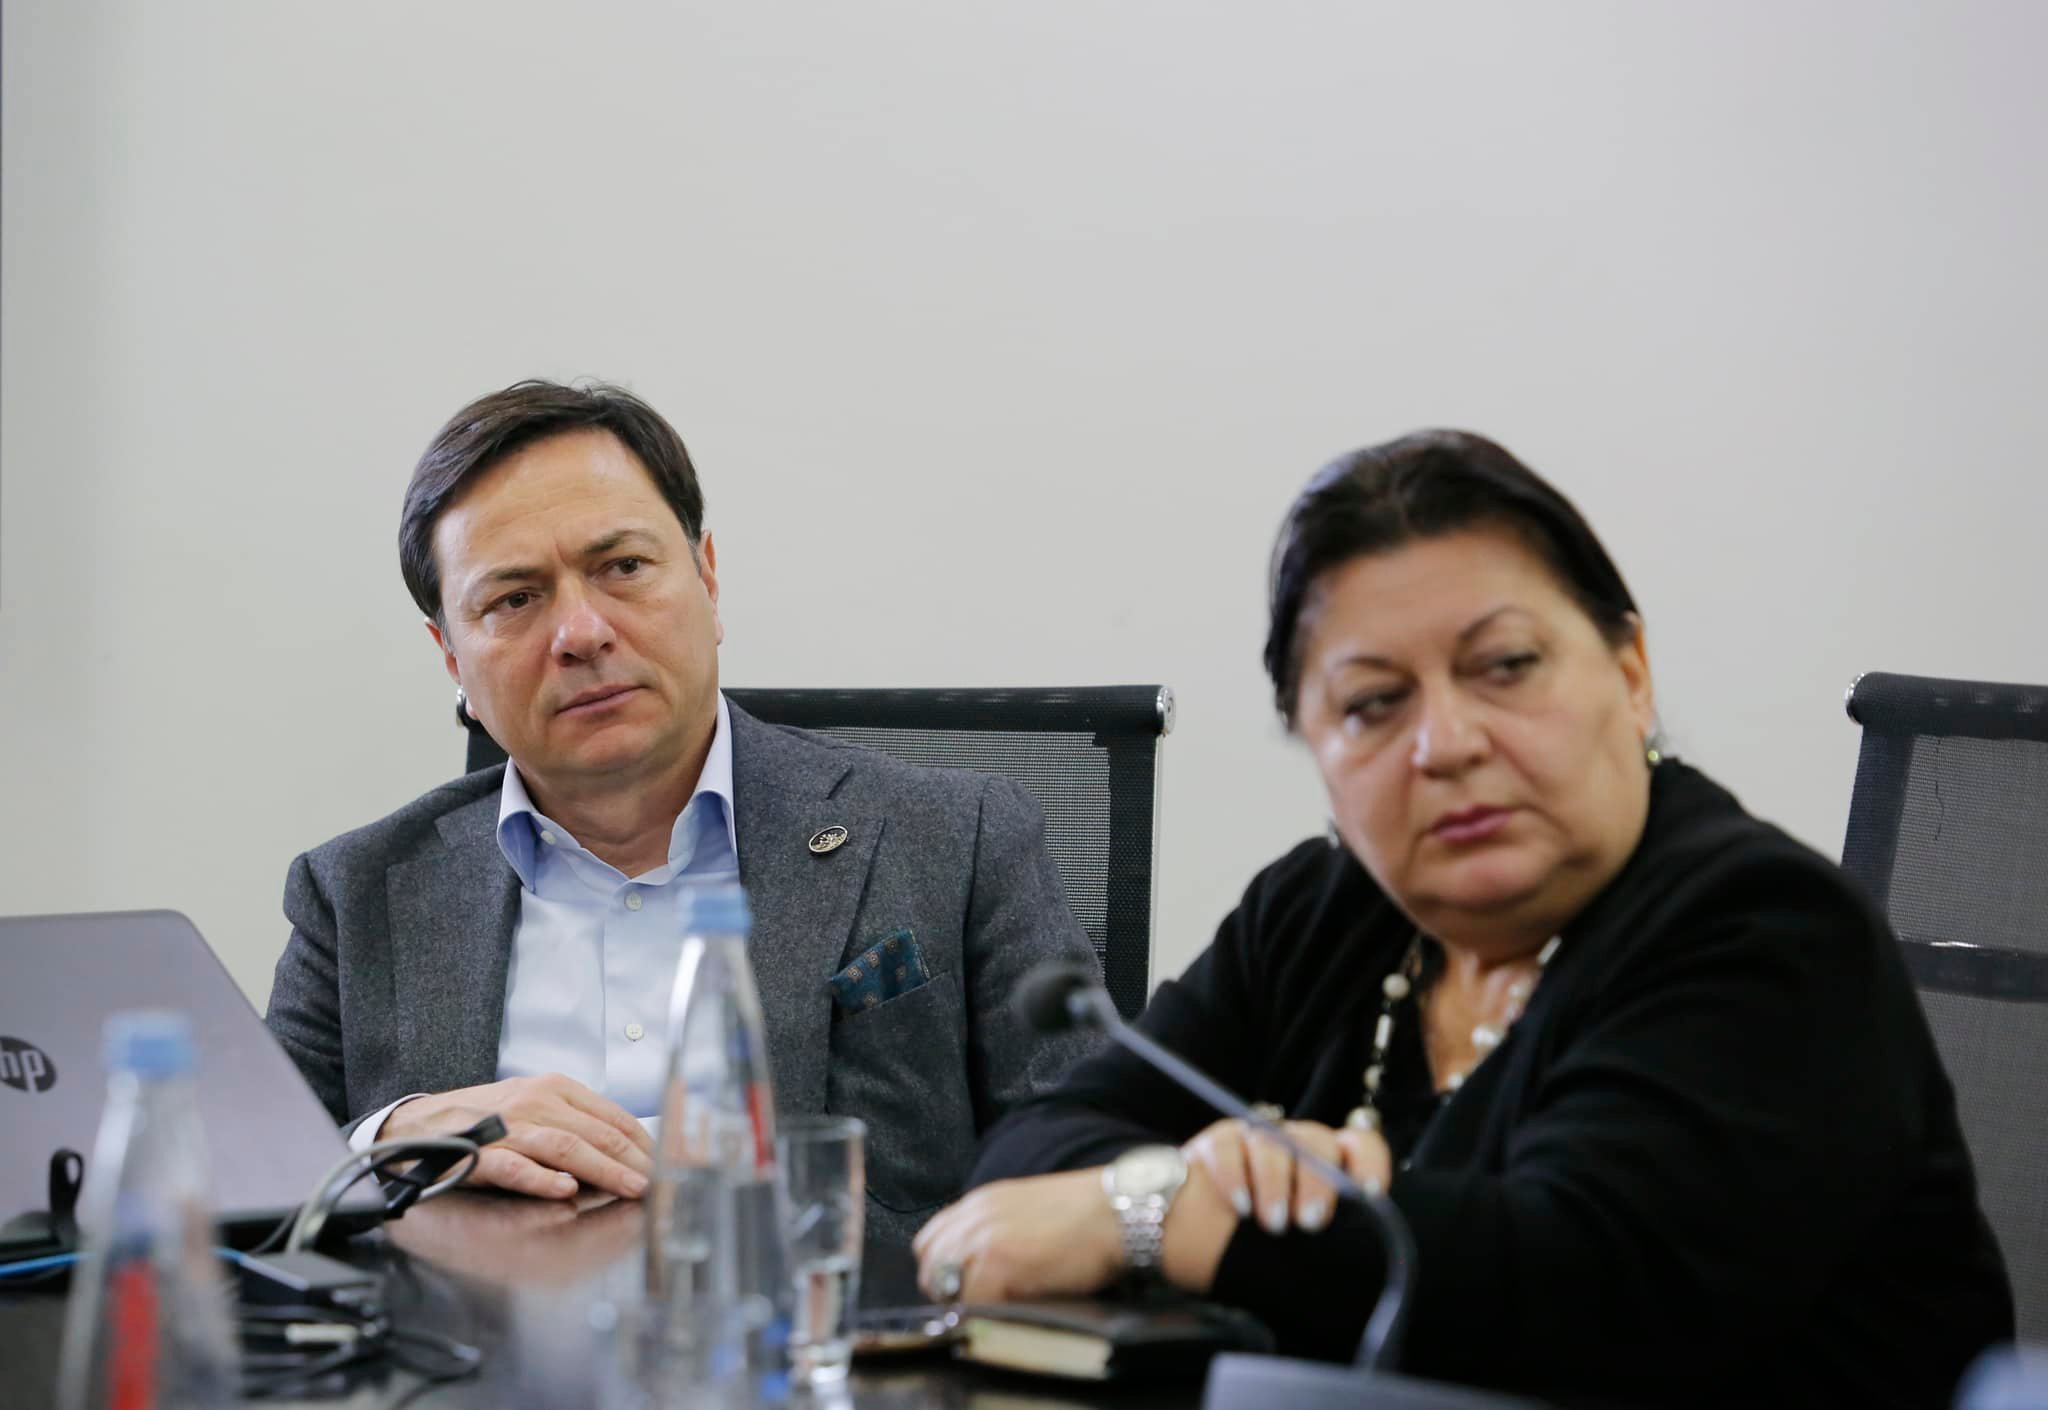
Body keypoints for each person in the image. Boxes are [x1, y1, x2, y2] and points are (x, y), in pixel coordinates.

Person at [912, 431, 2013, 1409]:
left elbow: (1576, 1294)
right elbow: (1028, 1163)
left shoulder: (1767, 928)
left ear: (1630, 674)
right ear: (1315, 747)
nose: (1445, 743)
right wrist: (1181, 1187)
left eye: (1504, 667)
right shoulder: (1319, 913)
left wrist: (1173, 1214)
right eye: (1372, 704)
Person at [263, 379, 1102, 1257]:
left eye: (623, 567)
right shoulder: (357, 891)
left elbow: (1085, 1156)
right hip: (469, 1340)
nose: (581, 633)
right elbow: (236, 1185)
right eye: (514, 599)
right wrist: (396, 1136)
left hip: (840, 1332)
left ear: (707, 578)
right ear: (452, 660)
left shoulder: (956, 839)